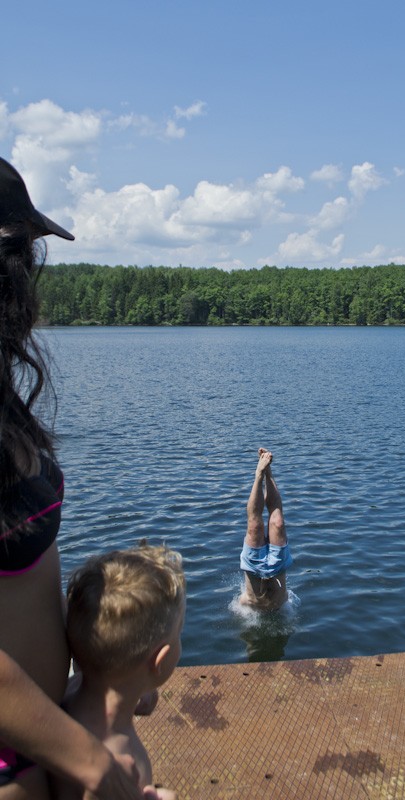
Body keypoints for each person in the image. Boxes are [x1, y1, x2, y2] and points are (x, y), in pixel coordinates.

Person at [0, 156, 155, 800]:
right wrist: (92, 763)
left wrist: (95, 683)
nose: (26, 280)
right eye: (20, 257)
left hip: (39, 739)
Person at [54, 545, 185, 800]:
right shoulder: (124, 761)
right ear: (160, 659)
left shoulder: (67, 693)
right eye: (179, 632)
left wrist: (137, 691)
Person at [239, 449, 293, 611]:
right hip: (259, 580)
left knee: (277, 523)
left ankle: (266, 472)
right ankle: (260, 474)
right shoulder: (245, 611)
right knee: (256, 526)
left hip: (262, 570)